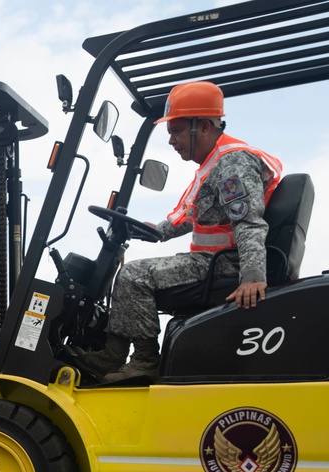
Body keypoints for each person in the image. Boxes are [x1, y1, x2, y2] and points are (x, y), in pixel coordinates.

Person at [79, 81, 283, 382]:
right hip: (213, 260)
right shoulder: (215, 162)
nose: (172, 140)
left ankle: (145, 360)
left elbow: (248, 221)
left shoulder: (232, 163)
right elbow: (195, 214)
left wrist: (252, 277)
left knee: (134, 276)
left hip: (226, 264)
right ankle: (113, 355)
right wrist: (157, 230)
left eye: (175, 131)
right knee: (133, 274)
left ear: (202, 126)